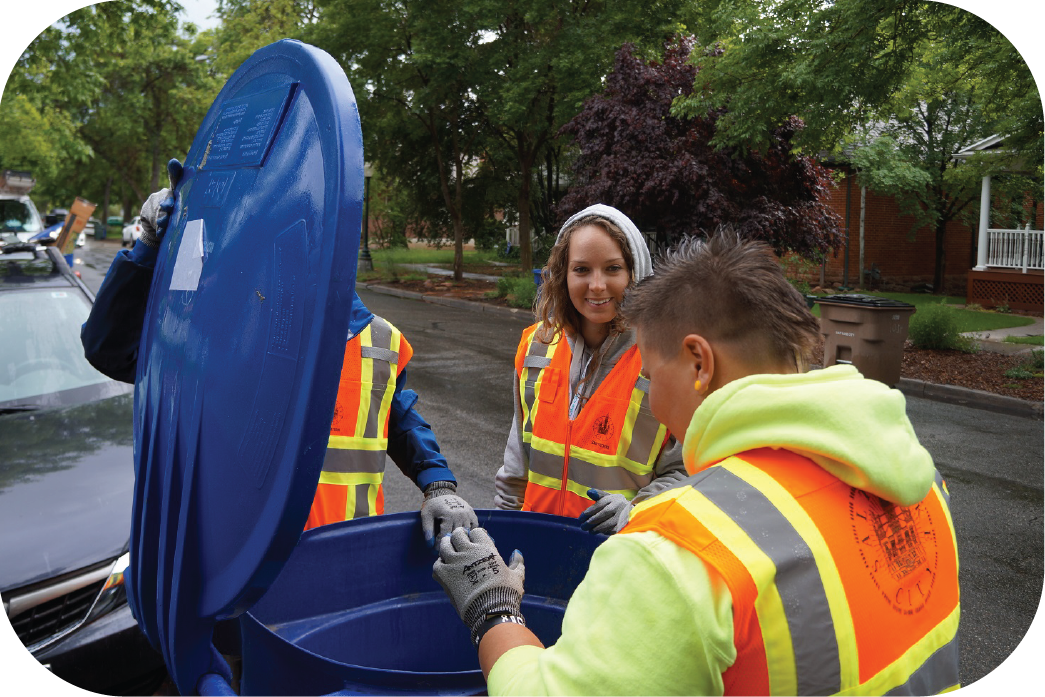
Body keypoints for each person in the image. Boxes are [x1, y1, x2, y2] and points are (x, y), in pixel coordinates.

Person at [434, 231, 960, 696]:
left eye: (649, 374)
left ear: (699, 362)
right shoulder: (921, 484)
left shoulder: (677, 551)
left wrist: (493, 609)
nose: (651, 400)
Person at [81, 160, 477, 542]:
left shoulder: (378, 339)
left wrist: (438, 485)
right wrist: (149, 245)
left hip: (344, 559)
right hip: (240, 574)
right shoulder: (220, 328)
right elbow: (110, 349)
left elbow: (396, 416)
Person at [494, 204, 686, 535]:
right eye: (581, 269)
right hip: (537, 550)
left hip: (618, 564)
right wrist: (500, 533)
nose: (597, 286)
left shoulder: (666, 358)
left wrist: (636, 511)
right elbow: (516, 466)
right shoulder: (536, 346)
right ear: (562, 274)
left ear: (635, 274)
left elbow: (688, 472)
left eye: (613, 269)